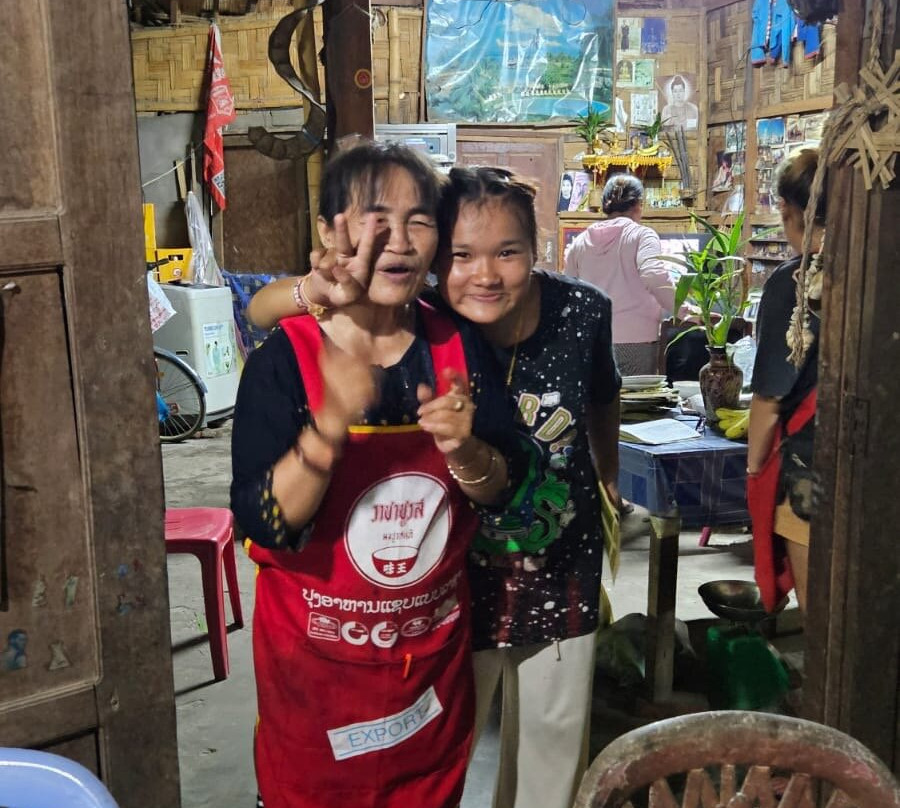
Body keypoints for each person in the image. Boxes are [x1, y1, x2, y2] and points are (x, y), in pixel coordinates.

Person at [249, 166, 623, 808]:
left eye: (508, 252)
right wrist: (315, 287)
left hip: (561, 556)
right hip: (455, 577)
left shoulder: (583, 311)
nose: (485, 275)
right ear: (434, 262)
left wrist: (608, 474)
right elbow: (263, 309)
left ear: (537, 250)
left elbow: (603, 396)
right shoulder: (426, 315)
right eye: (461, 255)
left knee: (553, 743)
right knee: (442, 741)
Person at [231, 142, 523, 808]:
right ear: (330, 231)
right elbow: (263, 524)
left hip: (429, 677)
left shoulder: (457, 343)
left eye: (419, 220)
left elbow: (501, 490)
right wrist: (327, 428)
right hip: (316, 677)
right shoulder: (287, 357)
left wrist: (466, 452)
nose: (399, 239)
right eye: (375, 218)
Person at [747, 148, 823, 614]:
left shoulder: (793, 282)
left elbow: (770, 400)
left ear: (787, 209)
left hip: (812, 472)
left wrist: (754, 469)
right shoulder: (880, 268)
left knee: (825, 620)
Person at [564, 173, 675, 375]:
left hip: (593, 339)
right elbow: (653, 275)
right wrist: (685, 310)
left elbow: (569, 292)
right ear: (639, 205)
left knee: (600, 395)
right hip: (637, 339)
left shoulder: (579, 243)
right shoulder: (642, 235)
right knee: (635, 394)